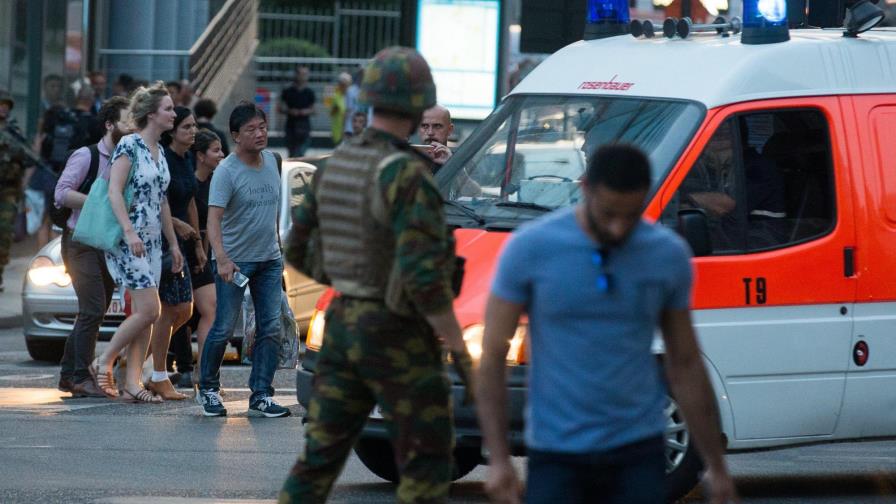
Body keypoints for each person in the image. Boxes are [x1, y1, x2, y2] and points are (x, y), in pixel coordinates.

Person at [476, 145, 739, 504]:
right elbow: (492, 355)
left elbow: (686, 362)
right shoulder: (532, 248)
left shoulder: (666, 255)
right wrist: (498, 458)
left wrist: (715, 465)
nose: (618, 227)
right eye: (608, 213)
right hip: (556, 451)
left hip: (638, 450)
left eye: (630, 216)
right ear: (585, 189)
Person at [280, 46, 473, 503]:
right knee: (426, 467)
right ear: (417, 100)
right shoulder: (408, 173)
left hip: (342, 325)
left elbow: (297, 248)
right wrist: (462, 354)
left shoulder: (337, 164)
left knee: (316, 465)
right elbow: (426, 283)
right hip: (398, 332)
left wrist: (352, 277)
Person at [90, 82, 183, 403]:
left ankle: (132, 383)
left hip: (154, 243)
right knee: (149, 309)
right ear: (151, 114)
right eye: (169, 109)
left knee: (149, 314)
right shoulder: (130, 145)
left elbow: (163, 202)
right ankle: (104, 360)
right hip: (128, 239)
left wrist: (173, 244)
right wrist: (129, 232)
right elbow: (115, 191)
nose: (174, 113)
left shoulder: (160, 152)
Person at [197, 101, 290, 418]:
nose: (259, 133)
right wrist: (221, 258)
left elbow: (273, 215)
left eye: (262, 127)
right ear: (236, 135)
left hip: (269, 260)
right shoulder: (226, 171)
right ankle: (208, 388)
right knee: (223, 327)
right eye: (251, 129)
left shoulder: (274, 162)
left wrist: (278, 251)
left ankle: (262, 394)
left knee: (270, 328)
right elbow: (213, 220)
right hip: (233, 262)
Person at [54, 96, 131, 398]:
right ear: (110, 124)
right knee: (93, 308)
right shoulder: (87, 156)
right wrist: (100, 203)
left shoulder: (126, 158)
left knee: (92, 311)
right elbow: (62, 193)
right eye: (126, 121)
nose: (131, 127)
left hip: (107, 243)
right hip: (80, 241)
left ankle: (68, 375)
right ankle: (81, 376)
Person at [144, 106, 202, 401]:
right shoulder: (162, 157)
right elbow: (157, 201)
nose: (193, 132)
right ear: (173, 131)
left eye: (194, 126)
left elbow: (189, 200)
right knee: (169, 309)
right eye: (187, 127)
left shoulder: (185, 158)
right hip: (164, 241)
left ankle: (143, 357)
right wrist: (175, 226)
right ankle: (157, 374)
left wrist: (199, 245)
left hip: (182, 243)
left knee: (184, 310)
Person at [168, 128, 223, 389]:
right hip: (180, 245)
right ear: (200, 156)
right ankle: (182, 367)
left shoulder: (216, 182)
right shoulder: (187, 180)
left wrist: (208, 251)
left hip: (201, 250)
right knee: (180, 310)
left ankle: (205, 372)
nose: (222, 155)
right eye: (216, 150)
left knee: (210, 308)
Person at [0, 91, 38, 292]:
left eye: (7, 105)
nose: (4, 108)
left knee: (5, 231)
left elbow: (29, 158)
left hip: (8, 189)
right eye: (1, 104)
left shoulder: (14, 131)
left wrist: (18, 153)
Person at [279, 67, 315, 158]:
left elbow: (313, 109)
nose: (304, 77)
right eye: (302, 74)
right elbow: (280, 107)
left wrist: (305, 111)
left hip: (304, 126)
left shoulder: (309, 92)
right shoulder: (288, 91)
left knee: (301, 153)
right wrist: (290, 111)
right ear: (296, 75)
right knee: (292, 153)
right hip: (291, 126)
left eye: (306, 74)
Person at [327, 72, 351, 145]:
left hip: (350, 130)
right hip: (339, 130)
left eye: (346, 84)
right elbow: (331, 113)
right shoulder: (335, 96)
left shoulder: (352, 96)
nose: (344, 86)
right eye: (342, 84)